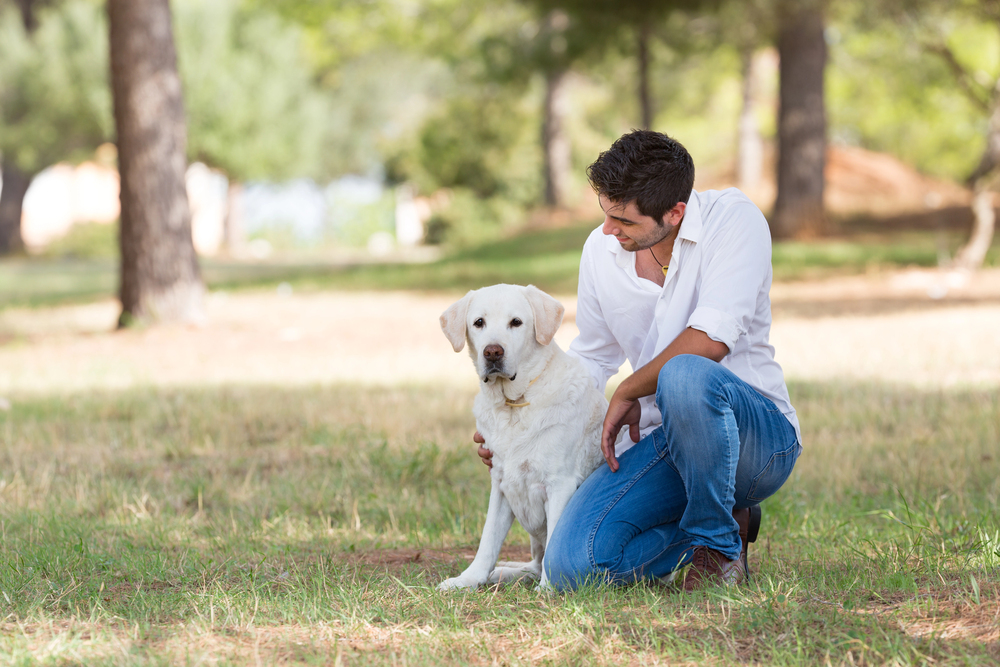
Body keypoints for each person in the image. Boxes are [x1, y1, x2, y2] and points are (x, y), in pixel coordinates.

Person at [475, 129, 801, 590]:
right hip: (660, 442)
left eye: (623, 220)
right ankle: (725, 519)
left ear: (675, 213)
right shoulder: (600, 250)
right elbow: (591, 356)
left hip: (755, 439)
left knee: (685, 376)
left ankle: (718, 546)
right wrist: (520, 422)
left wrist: (630, 388)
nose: (609, 230)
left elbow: (711, 341)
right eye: (606, 213)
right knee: (574, 568)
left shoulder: (734, 221)